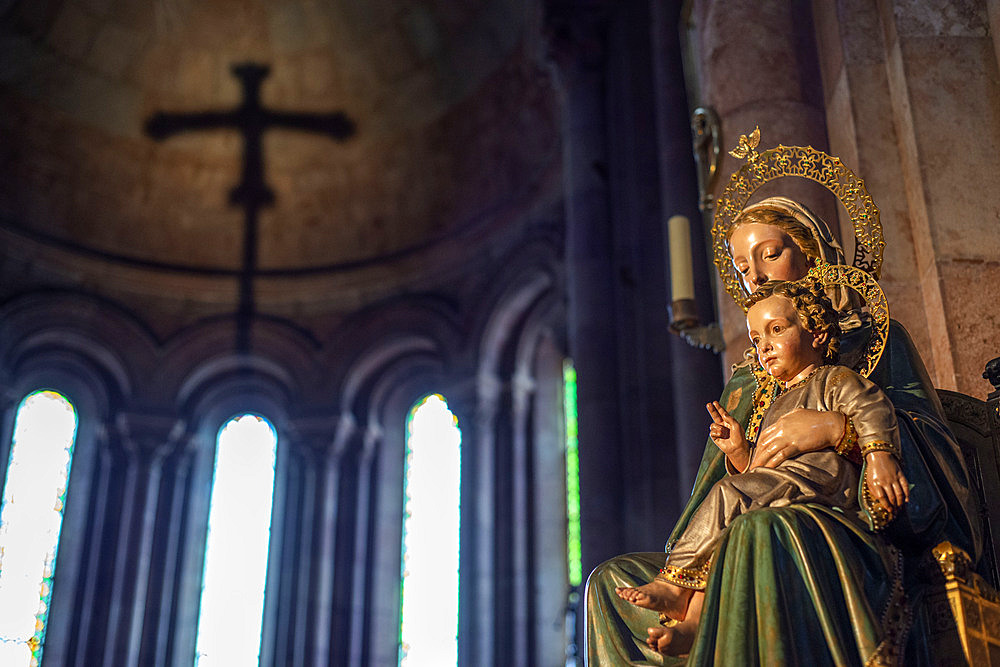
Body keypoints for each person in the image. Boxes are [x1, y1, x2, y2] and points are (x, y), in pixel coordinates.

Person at [584, 196, 981, 666]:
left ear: (810, 252)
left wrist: (838, 431)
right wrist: (738, 455)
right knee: (610, 580)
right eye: (740, 267)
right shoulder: (746, 382)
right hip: (748, 524)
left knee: (760, 531)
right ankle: (690, 612)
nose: (754, 274)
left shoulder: (870, 341)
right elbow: (729, 488)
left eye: (769, 254)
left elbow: (938, 462)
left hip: (838, 519)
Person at [615, 277, 910, 645]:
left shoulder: (834, 380)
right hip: (783, 486)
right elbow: (762, 469)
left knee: (727, 496)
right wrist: (740, 451)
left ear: (816, 333)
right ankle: (693, 625)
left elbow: (871, 409)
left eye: (776, 330)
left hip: (822, 481)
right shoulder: (771, 403)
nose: (764, 347)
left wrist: (880, 456)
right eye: (756, 339)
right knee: (727, 533)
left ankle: (673, 582)